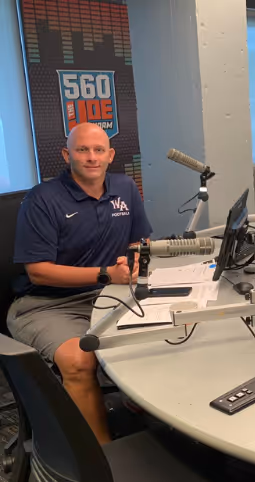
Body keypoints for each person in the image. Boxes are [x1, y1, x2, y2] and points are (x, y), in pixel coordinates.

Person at [8, 123, 152, 444]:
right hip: (46, 304)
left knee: (165, 335)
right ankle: (103, 456)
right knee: (78, 361)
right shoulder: (42, 199)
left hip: (110, 294)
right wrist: (106, 273)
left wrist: (133, 261)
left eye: (99, 150)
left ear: (110, 155)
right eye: (82, 150)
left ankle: (141, 410)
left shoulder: (125, 187)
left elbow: (138, 241)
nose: (91, 157)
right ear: (66, 154)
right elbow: (38, 272)